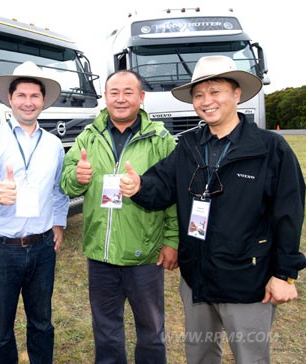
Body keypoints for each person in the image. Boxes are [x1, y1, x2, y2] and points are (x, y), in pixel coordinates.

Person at [120, 55, 306, 363]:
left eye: (215, 91)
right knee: (200, 354)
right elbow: (162, 187)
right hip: (197, 278)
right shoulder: (189, 145)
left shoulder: (270, 149)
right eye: (198, 94)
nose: (206, 101)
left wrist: (284, 274)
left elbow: (289, 214)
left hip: (249, 279)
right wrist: (139, 185)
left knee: (251, 357)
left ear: (236, 94)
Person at [60, 70, 179, 363]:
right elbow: (66, 181)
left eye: (128, 92)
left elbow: (175, 193)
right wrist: (78, 177)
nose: (121, 98)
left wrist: (172, 240)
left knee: (151, 329)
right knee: (106, 329)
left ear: (141, 97)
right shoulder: (88, 137)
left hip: (145, 254)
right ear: (105, 96)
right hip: (100, 253)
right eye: (114, 92)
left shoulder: (161, 140)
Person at [0, 61, 69, 363]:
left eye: (35, 96)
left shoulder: (54, 144)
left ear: (43, 101)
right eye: (22, 95)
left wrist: (58, 224)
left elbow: (57, 190)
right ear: (10, 99)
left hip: (42, 249)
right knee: (1, 328)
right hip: (0, 250)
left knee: (42, 322)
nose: (28, 102)